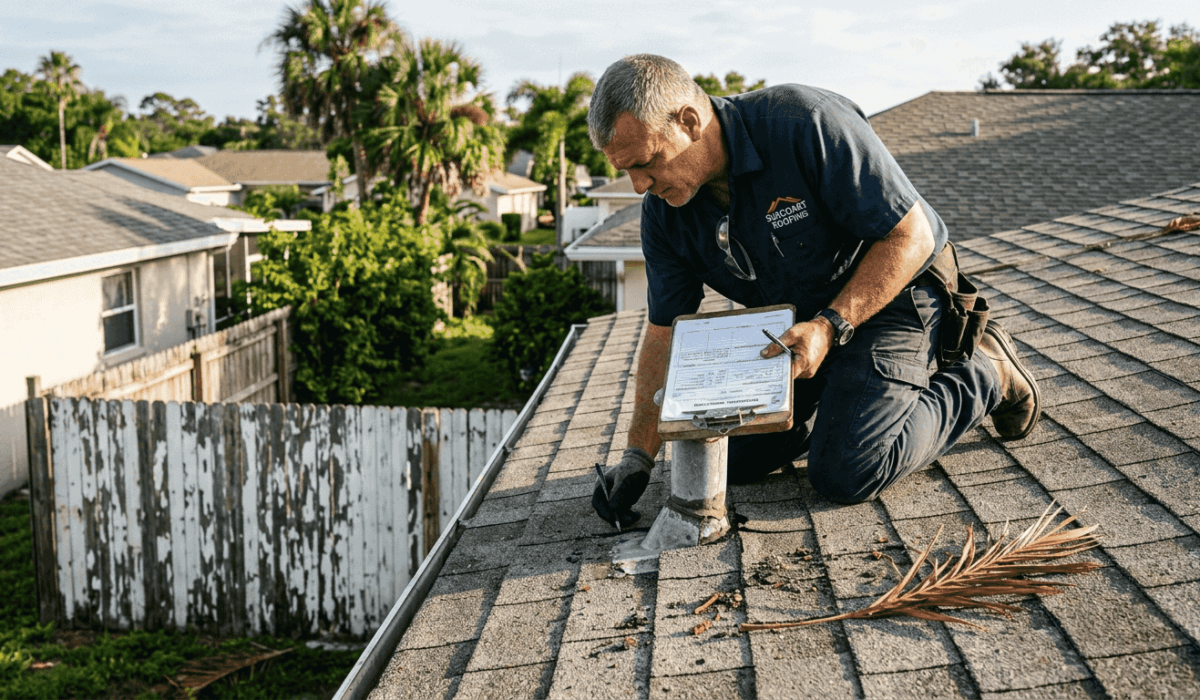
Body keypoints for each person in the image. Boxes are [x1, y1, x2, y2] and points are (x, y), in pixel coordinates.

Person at [588, 55, 1040, 529]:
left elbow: (913, 237)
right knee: (727, 460)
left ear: (689, 121)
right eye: (627, 171)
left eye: (645, 164)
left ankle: (987, 371)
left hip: (893, 296)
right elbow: (664, 334)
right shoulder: (664, 213)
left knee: (846, 471)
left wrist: (830, 326)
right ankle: (843, 400)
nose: (639, 185)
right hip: (799, 328)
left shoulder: (803, 122)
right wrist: (638, 455)